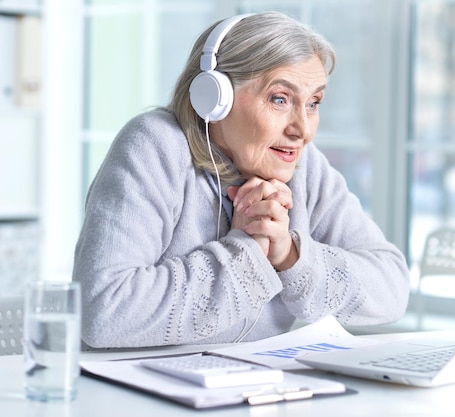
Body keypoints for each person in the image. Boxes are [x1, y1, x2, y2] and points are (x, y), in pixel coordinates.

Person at [73, 11, 410, 349]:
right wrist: (245, 251)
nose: (303, 131)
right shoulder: (155, 145)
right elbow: (103, 311)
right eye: (280, 99)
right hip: (129, 391)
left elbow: (392, 289)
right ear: (214, 97)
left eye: (313, 103)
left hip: (248, 389)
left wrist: (289, 254)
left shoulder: (305, 167)